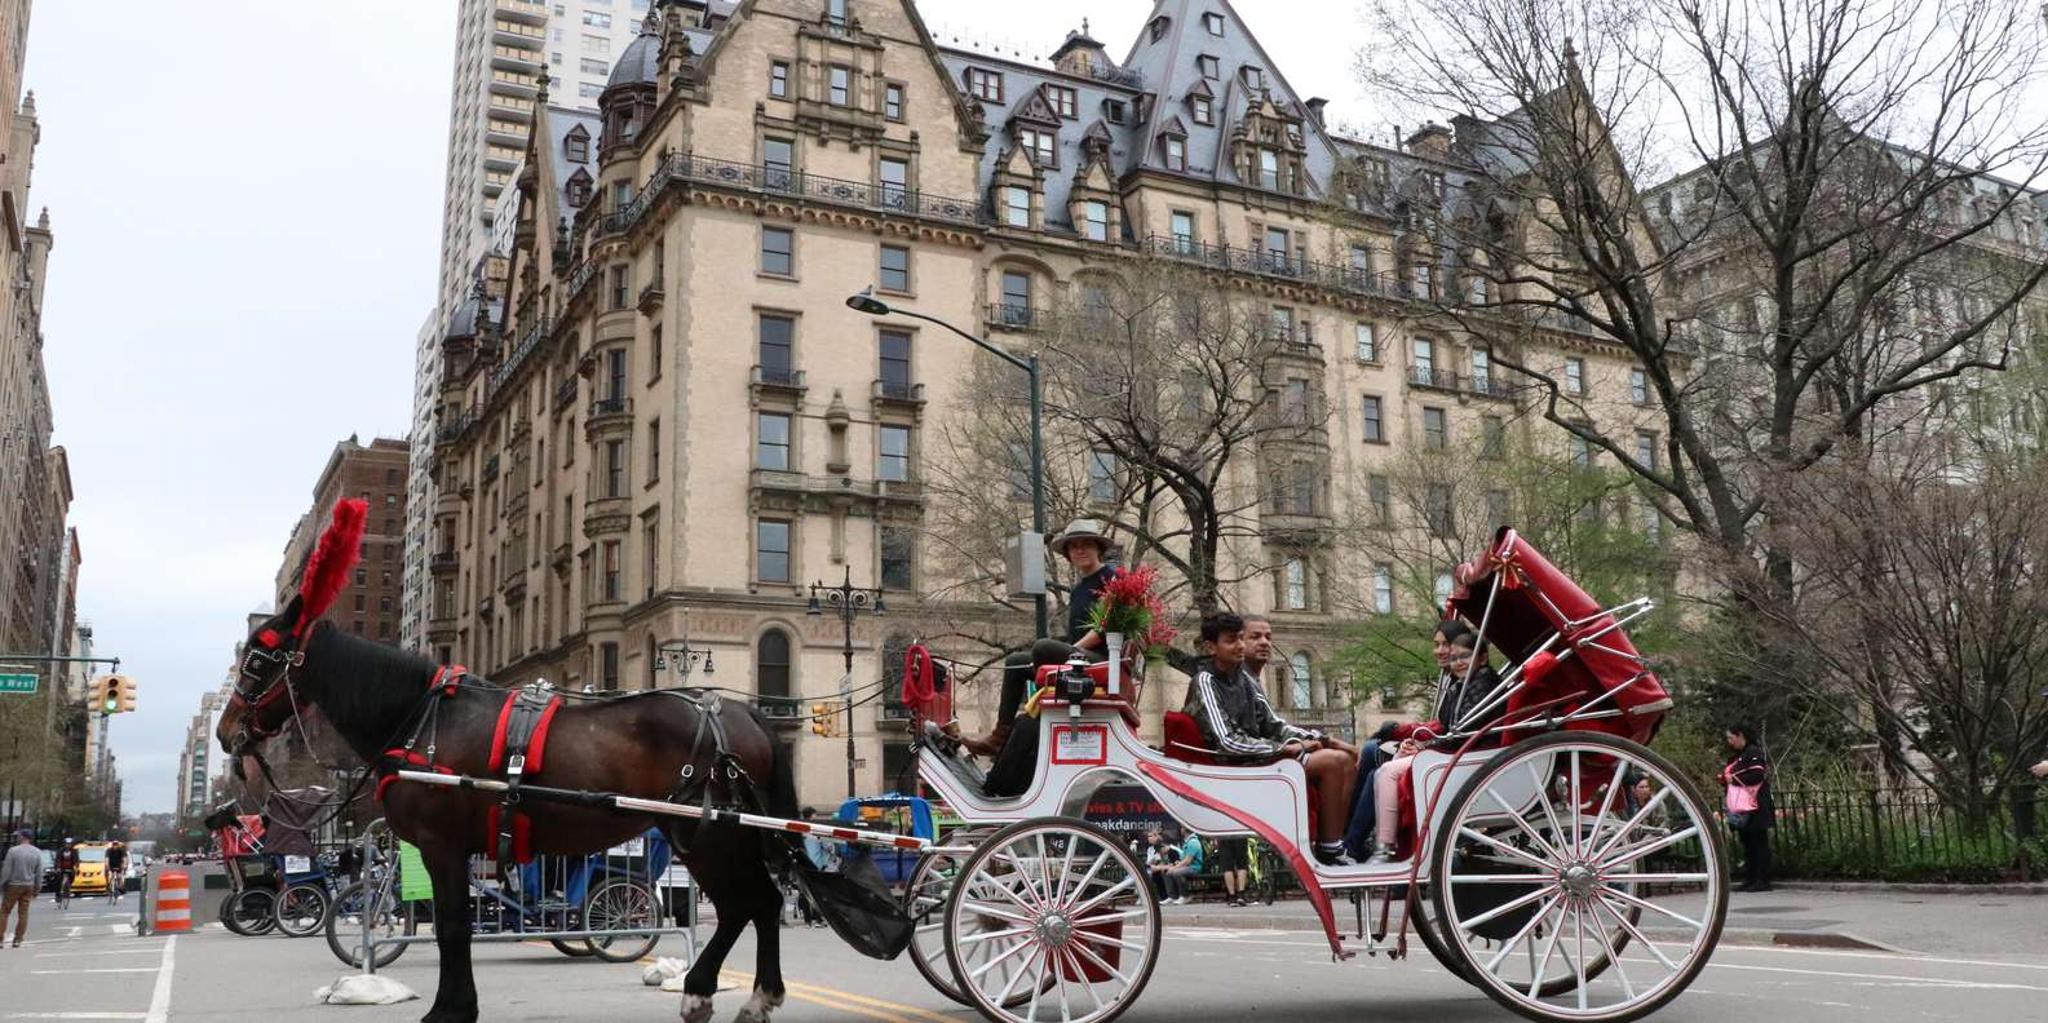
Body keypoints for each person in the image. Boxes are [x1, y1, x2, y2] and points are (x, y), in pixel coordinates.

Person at [1183, 612, 1359, 865]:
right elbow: (1227, 741)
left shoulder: (1244, 679)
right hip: (1232, 767)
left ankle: (1334, 843)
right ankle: (1329, 849)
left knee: (1344, 759)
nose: (1240, 646)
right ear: (1211, 647)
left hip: (1257, 758)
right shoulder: (1205, 681)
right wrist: (1282, 750)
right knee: (1333, 762)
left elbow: (1273, 724)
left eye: (1241, 639)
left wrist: (1322, 739)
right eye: (1231, 640)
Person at [963, 519, 1117, 758]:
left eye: (1087, 544)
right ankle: (1000, 736)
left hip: (1101, 661)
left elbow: (1103, 629)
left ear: (1098, 548)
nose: (1080, 550)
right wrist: (1068, 651)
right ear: (1068, 554)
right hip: (1080, 658)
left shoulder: (1112, 579)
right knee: (1015, 661)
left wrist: (1070, 652)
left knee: (1042, 647)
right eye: (1074, 546)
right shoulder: (1078, 590)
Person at [1363, 621, 1503, 865]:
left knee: (1387, 772)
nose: (1458, 663)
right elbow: (1451, 727)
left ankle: (1385, 847)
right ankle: (1390, 844)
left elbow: (1463, 731)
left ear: (1481, 658)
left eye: (1465, 657)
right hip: (1461, 750)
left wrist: (1425, 747)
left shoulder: (1481, 685)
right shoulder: (1465, 684)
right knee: (1391, 762)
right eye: (1455, 658)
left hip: (1471, 754)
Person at [1723, 723, 1775, 892]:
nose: (1730, 742)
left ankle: (1762, 878)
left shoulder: (1753, 752)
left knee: (1759, 842)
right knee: (1747, 842)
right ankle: (1751, 877)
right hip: (1742, 806)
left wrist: (1735, 779)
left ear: (1740, 736)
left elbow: (1757, 774)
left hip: (1755, 805)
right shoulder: (1737, 756)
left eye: (1731, 738)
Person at [3, 831, 41, 947]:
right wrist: (37, 887)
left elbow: (6, 870)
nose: (17, 837)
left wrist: (2, 883)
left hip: (14, 884)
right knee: (23, 913)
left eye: (19, 836)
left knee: (4, 911)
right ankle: (18, 939)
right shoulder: (37, 852)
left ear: (23, 837)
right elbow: (39, 872)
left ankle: (0, 938)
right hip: (28, 885)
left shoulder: (13, 851)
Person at [1164, 831, 1203, 905]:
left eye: (1182, 828)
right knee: (1167, 871)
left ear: (1185, 830)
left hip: (1194, 868)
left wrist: (1175, 867)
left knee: (1176, 872)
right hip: (1187, 867)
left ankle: (1185, 896)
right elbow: (1184, 859)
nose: (1180, 830)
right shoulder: (1187, 842)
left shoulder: (1193, 842)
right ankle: (1172, 897)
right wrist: (1178, 863)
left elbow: (1188, 861)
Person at [52, 839, 76, 908]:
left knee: (73, 875)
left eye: (69, 844)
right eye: (66, 844)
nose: (68, 845)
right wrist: (58, 868)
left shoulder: (74, 852)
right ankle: (58, 895)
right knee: (58, 880)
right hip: (61, 868)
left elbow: (76, 860)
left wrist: (76, 866)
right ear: (64, 844)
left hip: (70, 868)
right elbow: (58, 860)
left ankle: (67, 889)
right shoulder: (60, 851)